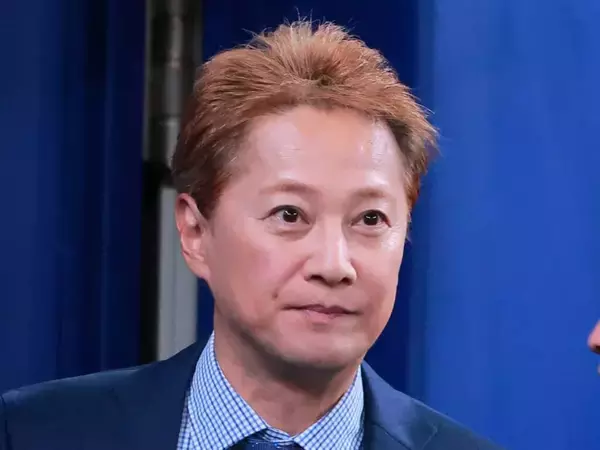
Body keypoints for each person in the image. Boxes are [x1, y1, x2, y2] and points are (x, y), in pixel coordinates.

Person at [0, 21, 502, 450]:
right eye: (290, 214)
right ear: (195, 232)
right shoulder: (34, 434)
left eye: (370, 220)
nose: (334, 264)